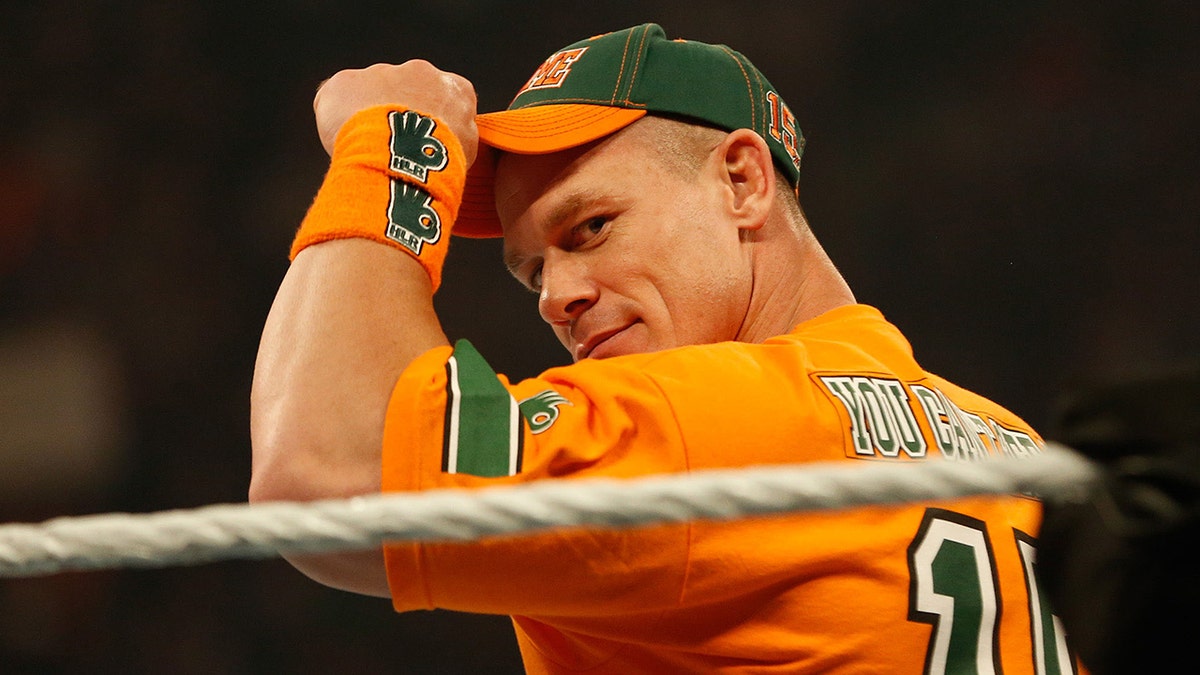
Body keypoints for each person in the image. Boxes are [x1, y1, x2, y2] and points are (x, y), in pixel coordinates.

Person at [250, 23, 1084, 674]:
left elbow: (327, 472)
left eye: (592, 227)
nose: (554, 296)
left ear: (743, 182)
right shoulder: (1018, 453)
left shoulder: (713, 420)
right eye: (531, 269)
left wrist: (393, 148)